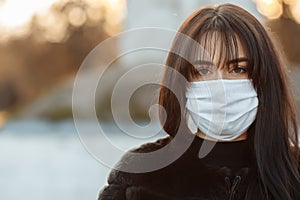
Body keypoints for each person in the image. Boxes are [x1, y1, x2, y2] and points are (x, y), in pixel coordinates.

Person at [98, 3, 300, 200]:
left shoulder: (294, 175)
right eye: (202, 71)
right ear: (182, 81)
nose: (220, 85)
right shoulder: (140, 176)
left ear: (263, 80)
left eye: (238, 69)